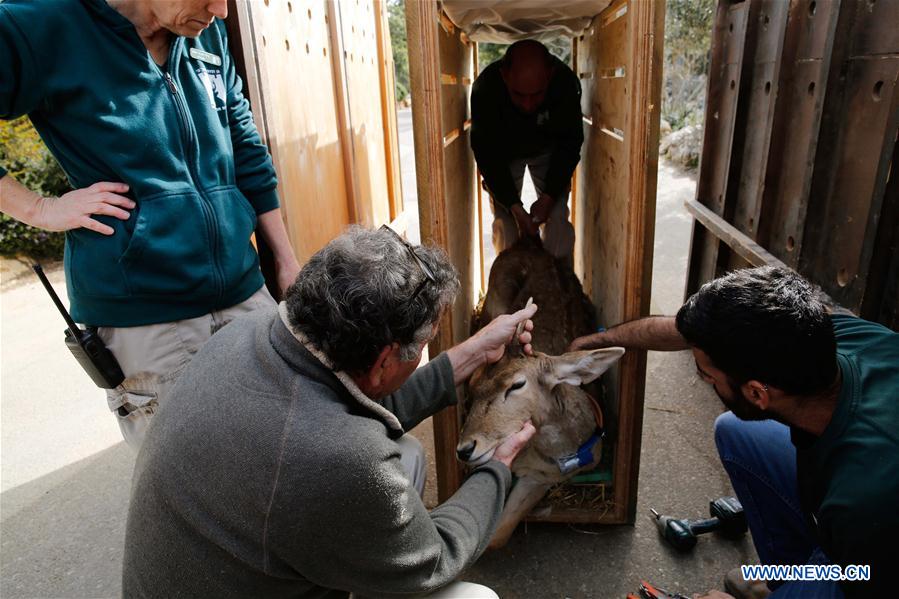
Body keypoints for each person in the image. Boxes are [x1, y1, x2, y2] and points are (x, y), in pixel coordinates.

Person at [123, 225, 540, 598]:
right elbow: (437, 557)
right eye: (425, 344)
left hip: (218, 570)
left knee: (406, 453)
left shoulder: (250, 332)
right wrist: (496, 469)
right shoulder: (340, 458)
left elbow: (363, 400)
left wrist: (475, 350)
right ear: (382, 362)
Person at [0, 0, 300, 448]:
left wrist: (286, 260)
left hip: (245, 294)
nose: (220, 11)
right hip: (147, 318)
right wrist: (38, 209)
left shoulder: (205, 33)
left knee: (286, 453)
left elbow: (247, 149)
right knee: (194, 490)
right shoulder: (41, 24)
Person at [569, 266, 898, 598]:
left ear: (756, 393)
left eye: (708, 376)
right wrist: (597, 342)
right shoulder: (821, 332)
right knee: (737, 431)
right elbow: (679, 333)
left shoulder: (863, 502)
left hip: (868, 565)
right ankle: (785, 578)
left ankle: (808, 578)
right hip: (859, 522)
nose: (704, 379)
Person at [470, 40, 583, 260]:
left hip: (549, 150)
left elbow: (569, 146)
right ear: (504, 76)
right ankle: (510, 289)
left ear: (550, 75)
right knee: (506, 226)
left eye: (537, 94)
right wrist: (514, 207)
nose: (529, 105)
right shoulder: (485, 88)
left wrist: (548, 198)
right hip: (503, 153)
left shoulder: (565, 83)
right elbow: (487, 154)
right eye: (519, 95)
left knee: (557, 221)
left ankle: (558, 289)